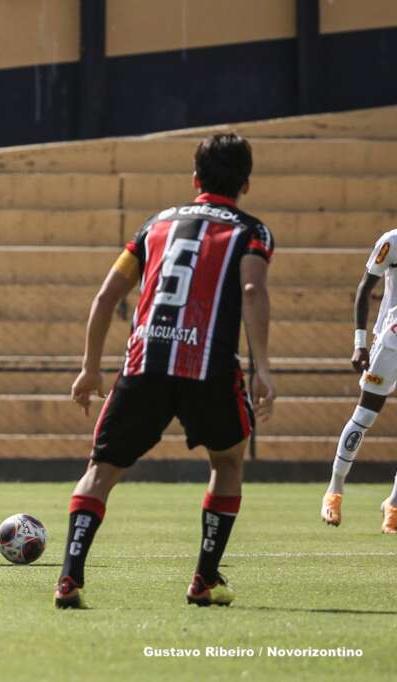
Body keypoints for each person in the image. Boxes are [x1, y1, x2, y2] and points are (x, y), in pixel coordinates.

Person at [56, 133, 275, 609]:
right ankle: (205, 578)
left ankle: (70, 578)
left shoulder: (154, 225)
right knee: (229, 460)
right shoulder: (251, 231)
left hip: (145, 364)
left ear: (195, 179)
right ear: (246, 184)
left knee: (101, 470)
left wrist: (90, 368)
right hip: (209, 367)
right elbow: (253, 293)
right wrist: (263, 368)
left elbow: (106, 296)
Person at [321, 228, 397, 533]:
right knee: (365, 415)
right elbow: (365, 288)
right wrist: (360, 343)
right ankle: (334, 490)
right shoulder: (391, 241)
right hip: (391, 342)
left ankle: (393, 504)